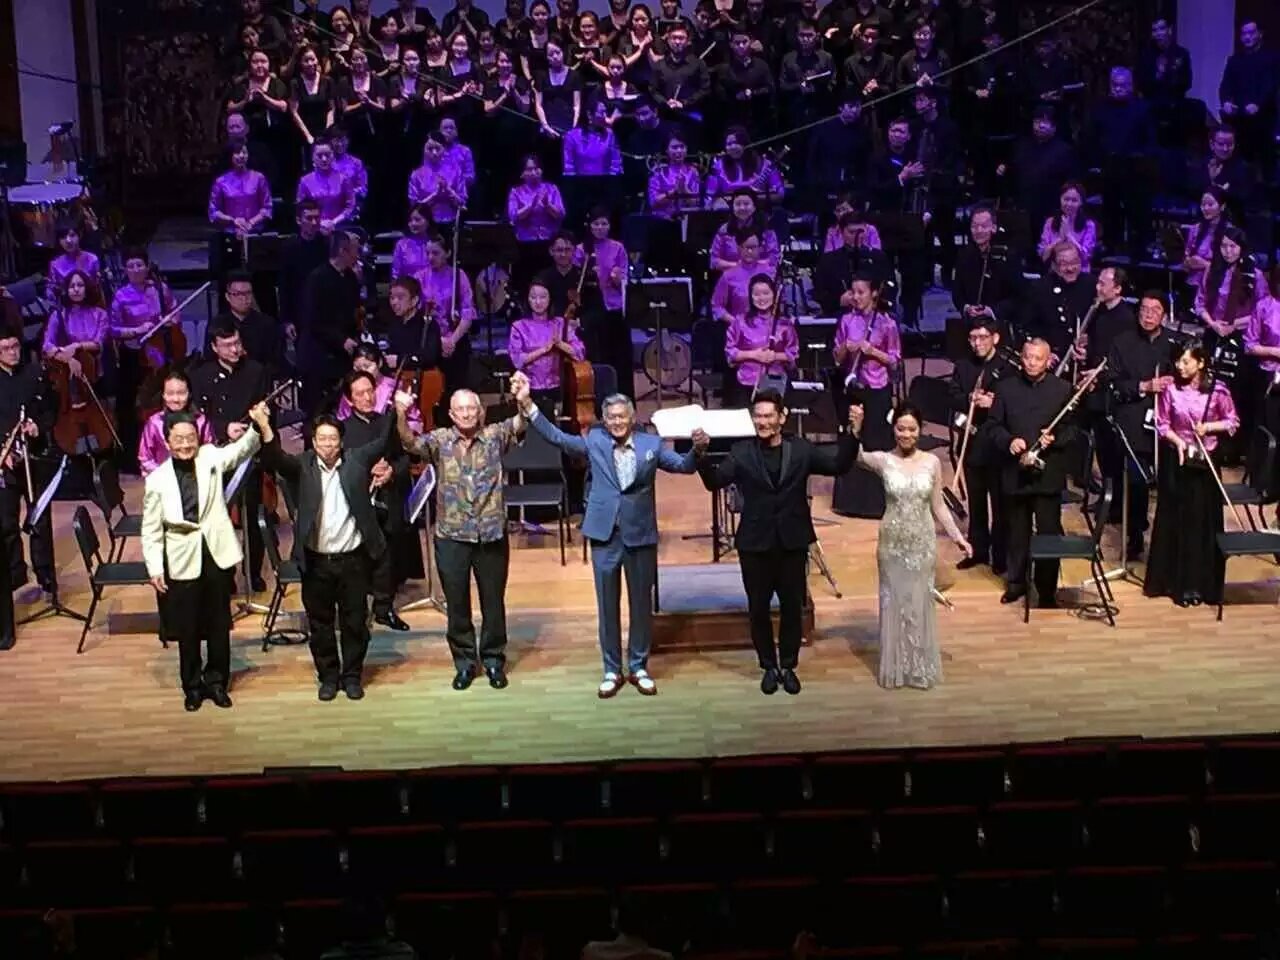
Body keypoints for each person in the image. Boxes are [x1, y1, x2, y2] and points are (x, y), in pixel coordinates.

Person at [513, 371, 706, 696]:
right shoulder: (595, 442)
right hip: (605, 535)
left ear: (632, 418)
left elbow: (683, 466)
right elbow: (558, 438)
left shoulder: (651, 445)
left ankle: (639, 666)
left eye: (622, 416)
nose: (617, 422)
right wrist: (528, 404)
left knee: (641, 605)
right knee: (607, 606)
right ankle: (612, 669)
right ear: (604, 420)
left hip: (640, 535)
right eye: (611, 417)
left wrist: (697, 450)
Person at [693, 389, 861, 695]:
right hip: (755, 544)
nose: (763, 422)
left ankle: (788, 665)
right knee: (758, 608)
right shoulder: (742, 452)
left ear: (782, 417)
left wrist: (853, 433)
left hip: (792, 541)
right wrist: (701, 455)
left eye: (769, 416)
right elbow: (715, 482)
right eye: (758, 416)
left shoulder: (801, 449)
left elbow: (838, 465)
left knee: (792, 607)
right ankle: (768, 666)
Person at [259, 409, 396, 701]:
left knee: (354, 623)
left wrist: (398, 409)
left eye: (332, 439)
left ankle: (352, 676)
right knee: (320, 625)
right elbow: (275, 459)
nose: (327, 445)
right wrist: (263, 425)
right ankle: (329, 677)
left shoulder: (356, 461)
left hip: (352, 559)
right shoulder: (303, 465)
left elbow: (384, 442)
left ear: (341, 442)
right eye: (321, 439)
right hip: (316, 561)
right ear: (313, 442)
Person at [394, 387, 524, 691]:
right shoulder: (439, 441)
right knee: (457, 604)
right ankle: (465, 663)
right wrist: (400, 411)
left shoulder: (495, 435)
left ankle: (493, 659)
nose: (466, 414)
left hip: (490, 534)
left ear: (480, 412)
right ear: (452, 415)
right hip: (451, 536)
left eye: (471, 408)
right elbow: (408, 441)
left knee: (493, 602)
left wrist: (524, 397)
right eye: (460, 409)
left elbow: (522, 421)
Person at [142, 403, 269, 711]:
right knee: (187, 628)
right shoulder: (156, 480)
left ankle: (217, 682)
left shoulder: (210, 456)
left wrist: (257, 425)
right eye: (179, 439)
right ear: (167, 442)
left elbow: (241, 451)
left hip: (215, 553)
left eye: (191, 438)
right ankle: (192, 686)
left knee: (218, 623)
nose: (186, 444)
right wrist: (155, 567)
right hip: (182, 556)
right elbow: (151, 529)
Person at [849, 402, 970, 690]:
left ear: (921, 430)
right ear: (894, 429)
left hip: (922, 542)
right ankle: (896, 666)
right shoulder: (883, 460)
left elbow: (938, 506)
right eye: (901, 429)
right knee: (894, 602)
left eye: (912, 429)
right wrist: (855, 429)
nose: (906, 435)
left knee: (918, 602)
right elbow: (855, 456)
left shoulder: (932, 462)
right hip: (892, 542)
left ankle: (918, 666)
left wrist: (958, 537)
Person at [1145, 341, 1240, 607]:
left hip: (1205, 463)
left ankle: (1201, 585)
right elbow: (1162, 424)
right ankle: (1175, 584)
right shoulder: (1170, 390)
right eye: (1178, 361)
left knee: (1201, 523)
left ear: (1201, 363)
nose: (1180, 366)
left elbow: (1233, 422)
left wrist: (1209, 427)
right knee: (1177, 521)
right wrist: (1178, 442)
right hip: (1178, 461)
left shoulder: (1219, 390)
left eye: (1186, 361)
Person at [986, 338, 1077, 607]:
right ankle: (1016, 583)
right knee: (1016, 533)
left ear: (1048, 361)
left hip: (1047, 476)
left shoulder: (1062, 389)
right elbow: (992, 426)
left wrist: (1055, 438)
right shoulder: (1005, 388)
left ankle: (1047, 591)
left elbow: (1073, 430)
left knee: (1048, 534)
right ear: (1021, 357)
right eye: (1027, 357)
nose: (1031, 363)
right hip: (1015, 472)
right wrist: (1009, 441)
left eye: (1038, 358)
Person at [190, 322, 273, 591]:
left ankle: (253, 571)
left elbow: (267, 410)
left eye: (237, 343)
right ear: (214, 347)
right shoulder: (201, 375)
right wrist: (223, 427)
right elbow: (197, 417)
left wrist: (255, 427)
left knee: (254, 513)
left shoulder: (256, 371)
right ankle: (224, 575)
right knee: (218, 516)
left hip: (249, 452)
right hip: (217, 452)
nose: (235, 350)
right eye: (227, 345)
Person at [338, 371, 419, 631]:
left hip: (388, 499)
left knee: (387, 555)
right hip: (359, 503)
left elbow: (404, 459)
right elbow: (339, 466)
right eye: (359, 394)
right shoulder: (343, 429)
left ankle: (384, 608)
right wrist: (366, 470)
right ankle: (357, 611)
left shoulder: (387, 422)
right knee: (358, 559)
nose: (367, 397)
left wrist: (391, 471)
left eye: (370, 391)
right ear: (349, 400)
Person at [1106, 292, 1176, 561]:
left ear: (1164, 316)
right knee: (1136, 481)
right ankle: (1134, 535)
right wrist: (1144, 386)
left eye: (1155, 310)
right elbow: (1113, 384)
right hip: (1134, 420)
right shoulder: (1121, 342)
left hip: (1168, 421)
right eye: (1144, 309)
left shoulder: (1175, 344)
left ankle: (1167, 540)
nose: (1148, 315)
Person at [949, 314, 1016, 573]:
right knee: (976, 504)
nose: (977, 343)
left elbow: (1014, 403)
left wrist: (994, 402)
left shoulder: (1008, 367)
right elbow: (952, 396)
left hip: (997, 447)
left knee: (1000, 505)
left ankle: (1000, 557)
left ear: (995, 338)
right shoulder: (963, 365)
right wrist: (969, 397)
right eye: (973, 338)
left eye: (983, 337)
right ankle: (977, 551)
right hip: (972, 443)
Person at [830, 274, 900, 519]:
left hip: (878, 388)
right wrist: (845, 347)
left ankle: (878, 503)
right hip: (853, 387)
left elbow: (894, 361)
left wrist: (873, 351)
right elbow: (837, 358)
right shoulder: (846, 321)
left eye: (861, 292)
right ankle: (850, 502)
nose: (856, 297)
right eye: (853, 292)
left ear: (873, 294)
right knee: (852, 439)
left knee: (876, 441)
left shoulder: (887, 323)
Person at [0, 328, 57, 610]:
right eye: (6, 348)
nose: (13, 352)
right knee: (6, 523)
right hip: (6, 464)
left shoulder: (34, 374)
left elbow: (51, 410)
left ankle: (46, 577)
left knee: (40, 520)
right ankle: (15, 577)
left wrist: (38, 426)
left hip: (34, 460)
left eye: (15, 346)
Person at [299, 230, 363, 418]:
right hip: (319, 355)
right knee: (318, 410)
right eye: (355, 251)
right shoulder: (317, 278)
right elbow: (313, 320)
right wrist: (341, 340)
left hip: (343, 355)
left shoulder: (350, 277)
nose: (358, 256)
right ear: (343, 251)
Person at [574, 208, 633, 398]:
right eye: (596, 224)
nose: (600, 228)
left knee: (620, 357)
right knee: (598, 355)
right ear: (589, 226)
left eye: (604, 224)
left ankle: (624, 398)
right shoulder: (581, 250)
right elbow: (576, 281)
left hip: (615, 308)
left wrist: (617, 278)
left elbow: (625, 278)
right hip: (592, 309)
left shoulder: (618, 248)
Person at [509, 281, 587, 411]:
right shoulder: (519, 326)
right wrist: (544, 350)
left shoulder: (560, 324)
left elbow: (579, 353)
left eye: (543, 297)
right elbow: (517, 360)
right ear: (527, 299)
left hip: (557, 388)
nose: (538, 302)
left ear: (550, 299)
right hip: (529, 389)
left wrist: (560, 344)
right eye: (533, 297)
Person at [723, 274, 798, 409]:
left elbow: (793, 354)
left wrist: (775, 356)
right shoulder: (740, 322)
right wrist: (754, 355)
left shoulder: (785, 324)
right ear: (750, 297)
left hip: (776, 383)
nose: (761, 298)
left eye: (766, 293)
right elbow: (730, 353)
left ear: (774, 295)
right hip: (746, 382)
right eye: (756, 294)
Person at [951, 205, 1022, 332]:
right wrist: (966, 308)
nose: (978, 230)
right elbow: (957, 292)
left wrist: (992, 310)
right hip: (971, 324)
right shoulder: (964, 255)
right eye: (974, 226)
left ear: (993, 227)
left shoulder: (1007, 255)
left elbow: (1018, 296)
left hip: (1000, 323)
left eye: (984, 226)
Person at [138, 371, 216, 477]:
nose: (176, 399)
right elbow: (145, 458)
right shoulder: (155, 422)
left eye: (181, 393)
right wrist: (165, 474)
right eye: (170, 393)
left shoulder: (201, 421)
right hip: (163, 478)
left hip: (195, 477)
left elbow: (209, 451)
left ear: (189, 394)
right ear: (163, 395)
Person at [43, 270, 109, 383]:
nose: (76, 289)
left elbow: (99, 343)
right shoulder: (58, 315)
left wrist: (77, 346)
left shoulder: (100, 314)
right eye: (72, 286)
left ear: (86, 288)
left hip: (95, 371)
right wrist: (68, 359)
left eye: (80, 285)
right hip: (65, 372)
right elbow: (47, 346)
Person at [295, 140, 357, 234]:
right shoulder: (305, 181)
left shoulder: (344, 179)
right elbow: (301, 209)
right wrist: (319, 223)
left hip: (340, 227)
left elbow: (350, 206)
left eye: (327, 155)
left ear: (333, 155)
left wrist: (334, 222)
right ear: (312, 157)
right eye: (319, 156)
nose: (324, 159)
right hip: (314, 229)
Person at [1037, 181, 1097, 275]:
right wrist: (1059, 239)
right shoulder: (1050, 222)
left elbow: (1086, 256)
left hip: (1081, 274)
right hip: (1055, 272)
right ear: (1060, 199)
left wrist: (1069, 235)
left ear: (1081, 202)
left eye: (1074, 200)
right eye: (1066, 199)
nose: (1069, 204)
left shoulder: (1089, 225)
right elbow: (1044, 256)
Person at [1183, 187, 1231, 291]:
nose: (1205, 208)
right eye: (1203, 204)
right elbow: (1185, 264)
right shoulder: (1195, 229)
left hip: (1217, 288)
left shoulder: (1230, 232)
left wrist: (1205, 265)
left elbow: (1230, 268)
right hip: (1192, 285)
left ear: (1222, 206)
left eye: (1210, 204)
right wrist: (1188, 262)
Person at [45, 227, 102, 304]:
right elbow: (50, 292)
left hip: (91, 305)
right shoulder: (55, 265)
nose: (68, 240)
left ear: (79, 235)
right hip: (67, 307)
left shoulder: (92, 259)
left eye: (72, 235)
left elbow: (98, 290)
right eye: (63, 237)